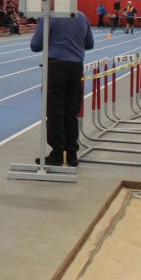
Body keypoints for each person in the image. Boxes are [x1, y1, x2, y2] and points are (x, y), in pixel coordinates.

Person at [30, 9, 94, 167]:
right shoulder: (82, 16)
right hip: (76, 68)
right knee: (70, 113)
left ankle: (58, 153)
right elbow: (89, 44)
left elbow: (35, 45)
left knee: (54, 112)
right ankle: (71, 154)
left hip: (56, 67)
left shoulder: (50, 16)